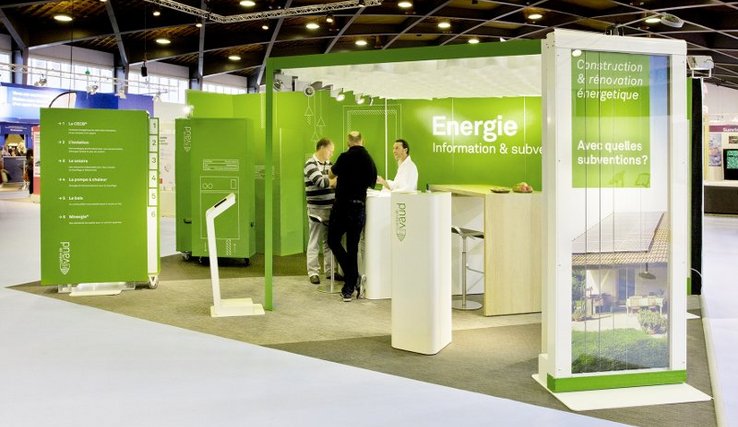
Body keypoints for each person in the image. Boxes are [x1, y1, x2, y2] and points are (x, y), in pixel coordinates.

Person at [328, 131, 378, 302]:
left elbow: (331, 175)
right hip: (358, 208)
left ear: (348, 142)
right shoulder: (369, 159)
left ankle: (351, 277)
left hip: (342, 206)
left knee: (333, 240)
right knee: (353, 247)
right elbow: (372, 181)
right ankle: (350, 285)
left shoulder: (344, 157)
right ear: (362, 141)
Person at [304, 137, 341, 285]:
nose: (331, 154)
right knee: (314, 242)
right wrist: (331, 182)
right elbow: (321, 182)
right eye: (330, 151)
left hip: (330, 209)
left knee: (329, 242)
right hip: (316, 210)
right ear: (322, 148)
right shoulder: (310, 164)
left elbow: (333, 182)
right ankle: (313, 272)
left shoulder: (329, 164)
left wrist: (330, 182)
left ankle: (330, 271)